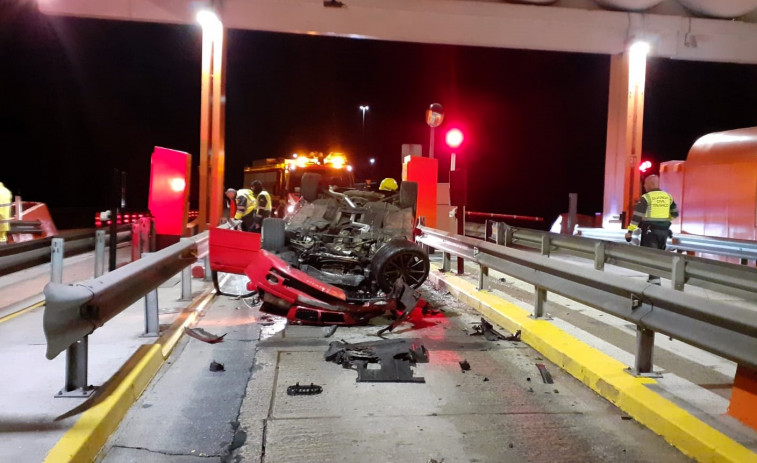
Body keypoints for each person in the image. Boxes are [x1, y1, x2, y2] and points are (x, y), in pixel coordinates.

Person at [625, 174, 679, 284]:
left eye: (645, 184)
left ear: (649, 184)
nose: (644, 186)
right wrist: (664, 220)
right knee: (659, 253)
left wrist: (630, 232)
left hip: (650, 230)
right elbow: (675, 213)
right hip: (664, 231)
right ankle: (654, 278)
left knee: (651, 254)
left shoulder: (646, 197)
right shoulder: (668, 196)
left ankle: (655, 280)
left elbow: (636, 217)